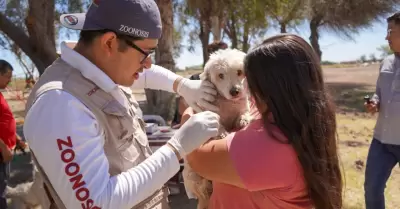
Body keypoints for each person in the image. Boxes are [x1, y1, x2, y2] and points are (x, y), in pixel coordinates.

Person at [23, 0, 221, 208]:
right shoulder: (60, 105)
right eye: (146, 53)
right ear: (109, 43)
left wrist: (182, 85)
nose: (148, 64)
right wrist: (176, 148)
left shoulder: (101, 67)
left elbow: (144, 73)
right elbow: (98, 202)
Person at [183, 34, 343, 209]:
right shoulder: (307, 125)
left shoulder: (269, 144)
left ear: (267, 86)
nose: (244, 86)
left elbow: (199, 160)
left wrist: (190, 113)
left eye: (247, 79)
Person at [364, 12, 400, 209]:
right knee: (372, 189)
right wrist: (375, 102)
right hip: (381, 142)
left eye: (390, 32)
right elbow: (379, 92)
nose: (386, 37)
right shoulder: (385, 62)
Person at [0, 60, 17, 209]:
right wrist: (3, 148)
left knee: (3, 187)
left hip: (5, 150)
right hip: (1, 152)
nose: (9, 80)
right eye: (7, 76)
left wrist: (16, 139)